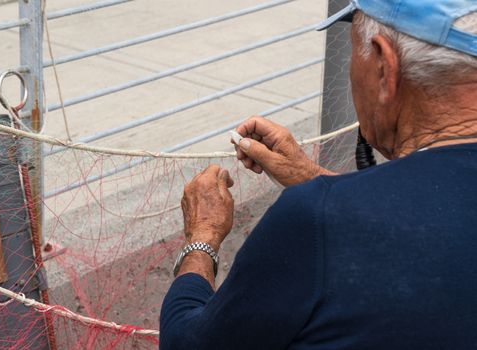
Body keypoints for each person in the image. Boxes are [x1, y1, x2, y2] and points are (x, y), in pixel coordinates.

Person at [160, 0, 477, 348]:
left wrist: (202, 237)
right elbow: (435, 210)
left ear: (386, 67)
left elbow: (186, 343)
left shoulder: (316, 221)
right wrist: (308, 174)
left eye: (354, 52)